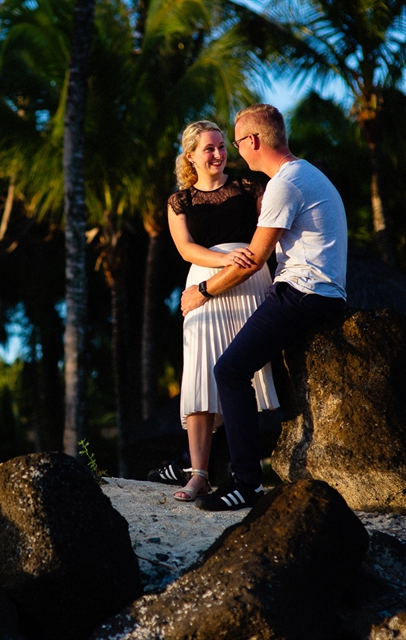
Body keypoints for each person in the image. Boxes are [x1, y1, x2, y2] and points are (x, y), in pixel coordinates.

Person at [179, 104, 348, 511]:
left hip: (303, 293)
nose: (234, 152)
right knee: (236, 368)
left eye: (236, 142)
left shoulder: (284, 184)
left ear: (252, 141)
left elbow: (253, 260)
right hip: (320, 291)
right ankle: (217, 471)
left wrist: (202, 291)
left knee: (229, 370)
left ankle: (244, 483)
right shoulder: (304, 173)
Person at [153, 120, 279, 502]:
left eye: (222, 146)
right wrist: (225, 260)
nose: (219, 154)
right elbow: (186, 248)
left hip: (250, 278)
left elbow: (271, 232)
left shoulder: (249, 186)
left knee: (242, 375)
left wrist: (246, 263)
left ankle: (243, 474)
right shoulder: (180, 201)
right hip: (204, 284)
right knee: (200, 375)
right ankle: (198, 475)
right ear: (190, 156)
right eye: (209, 148)